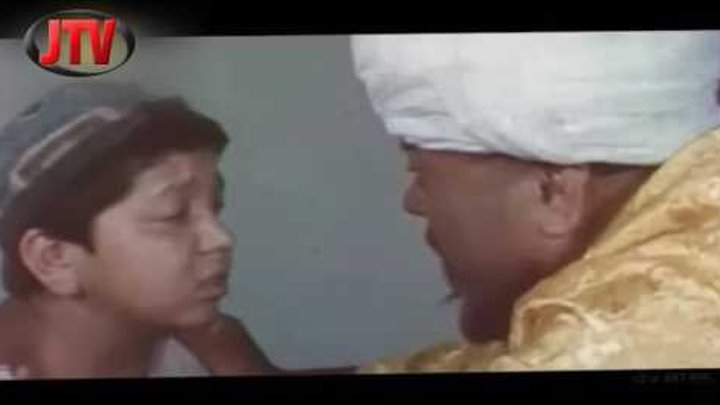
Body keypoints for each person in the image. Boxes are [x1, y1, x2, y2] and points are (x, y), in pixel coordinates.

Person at [177, 30, 720, 372]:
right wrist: (221, 344)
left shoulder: (630, 336)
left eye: (420, 171)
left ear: (553, 191)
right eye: (172, 212)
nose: (413, 202)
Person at [0, 82, 267, 378]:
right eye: (174, 214)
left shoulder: (212, 351)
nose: (221, 239)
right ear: (54, 258)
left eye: (216, 207)